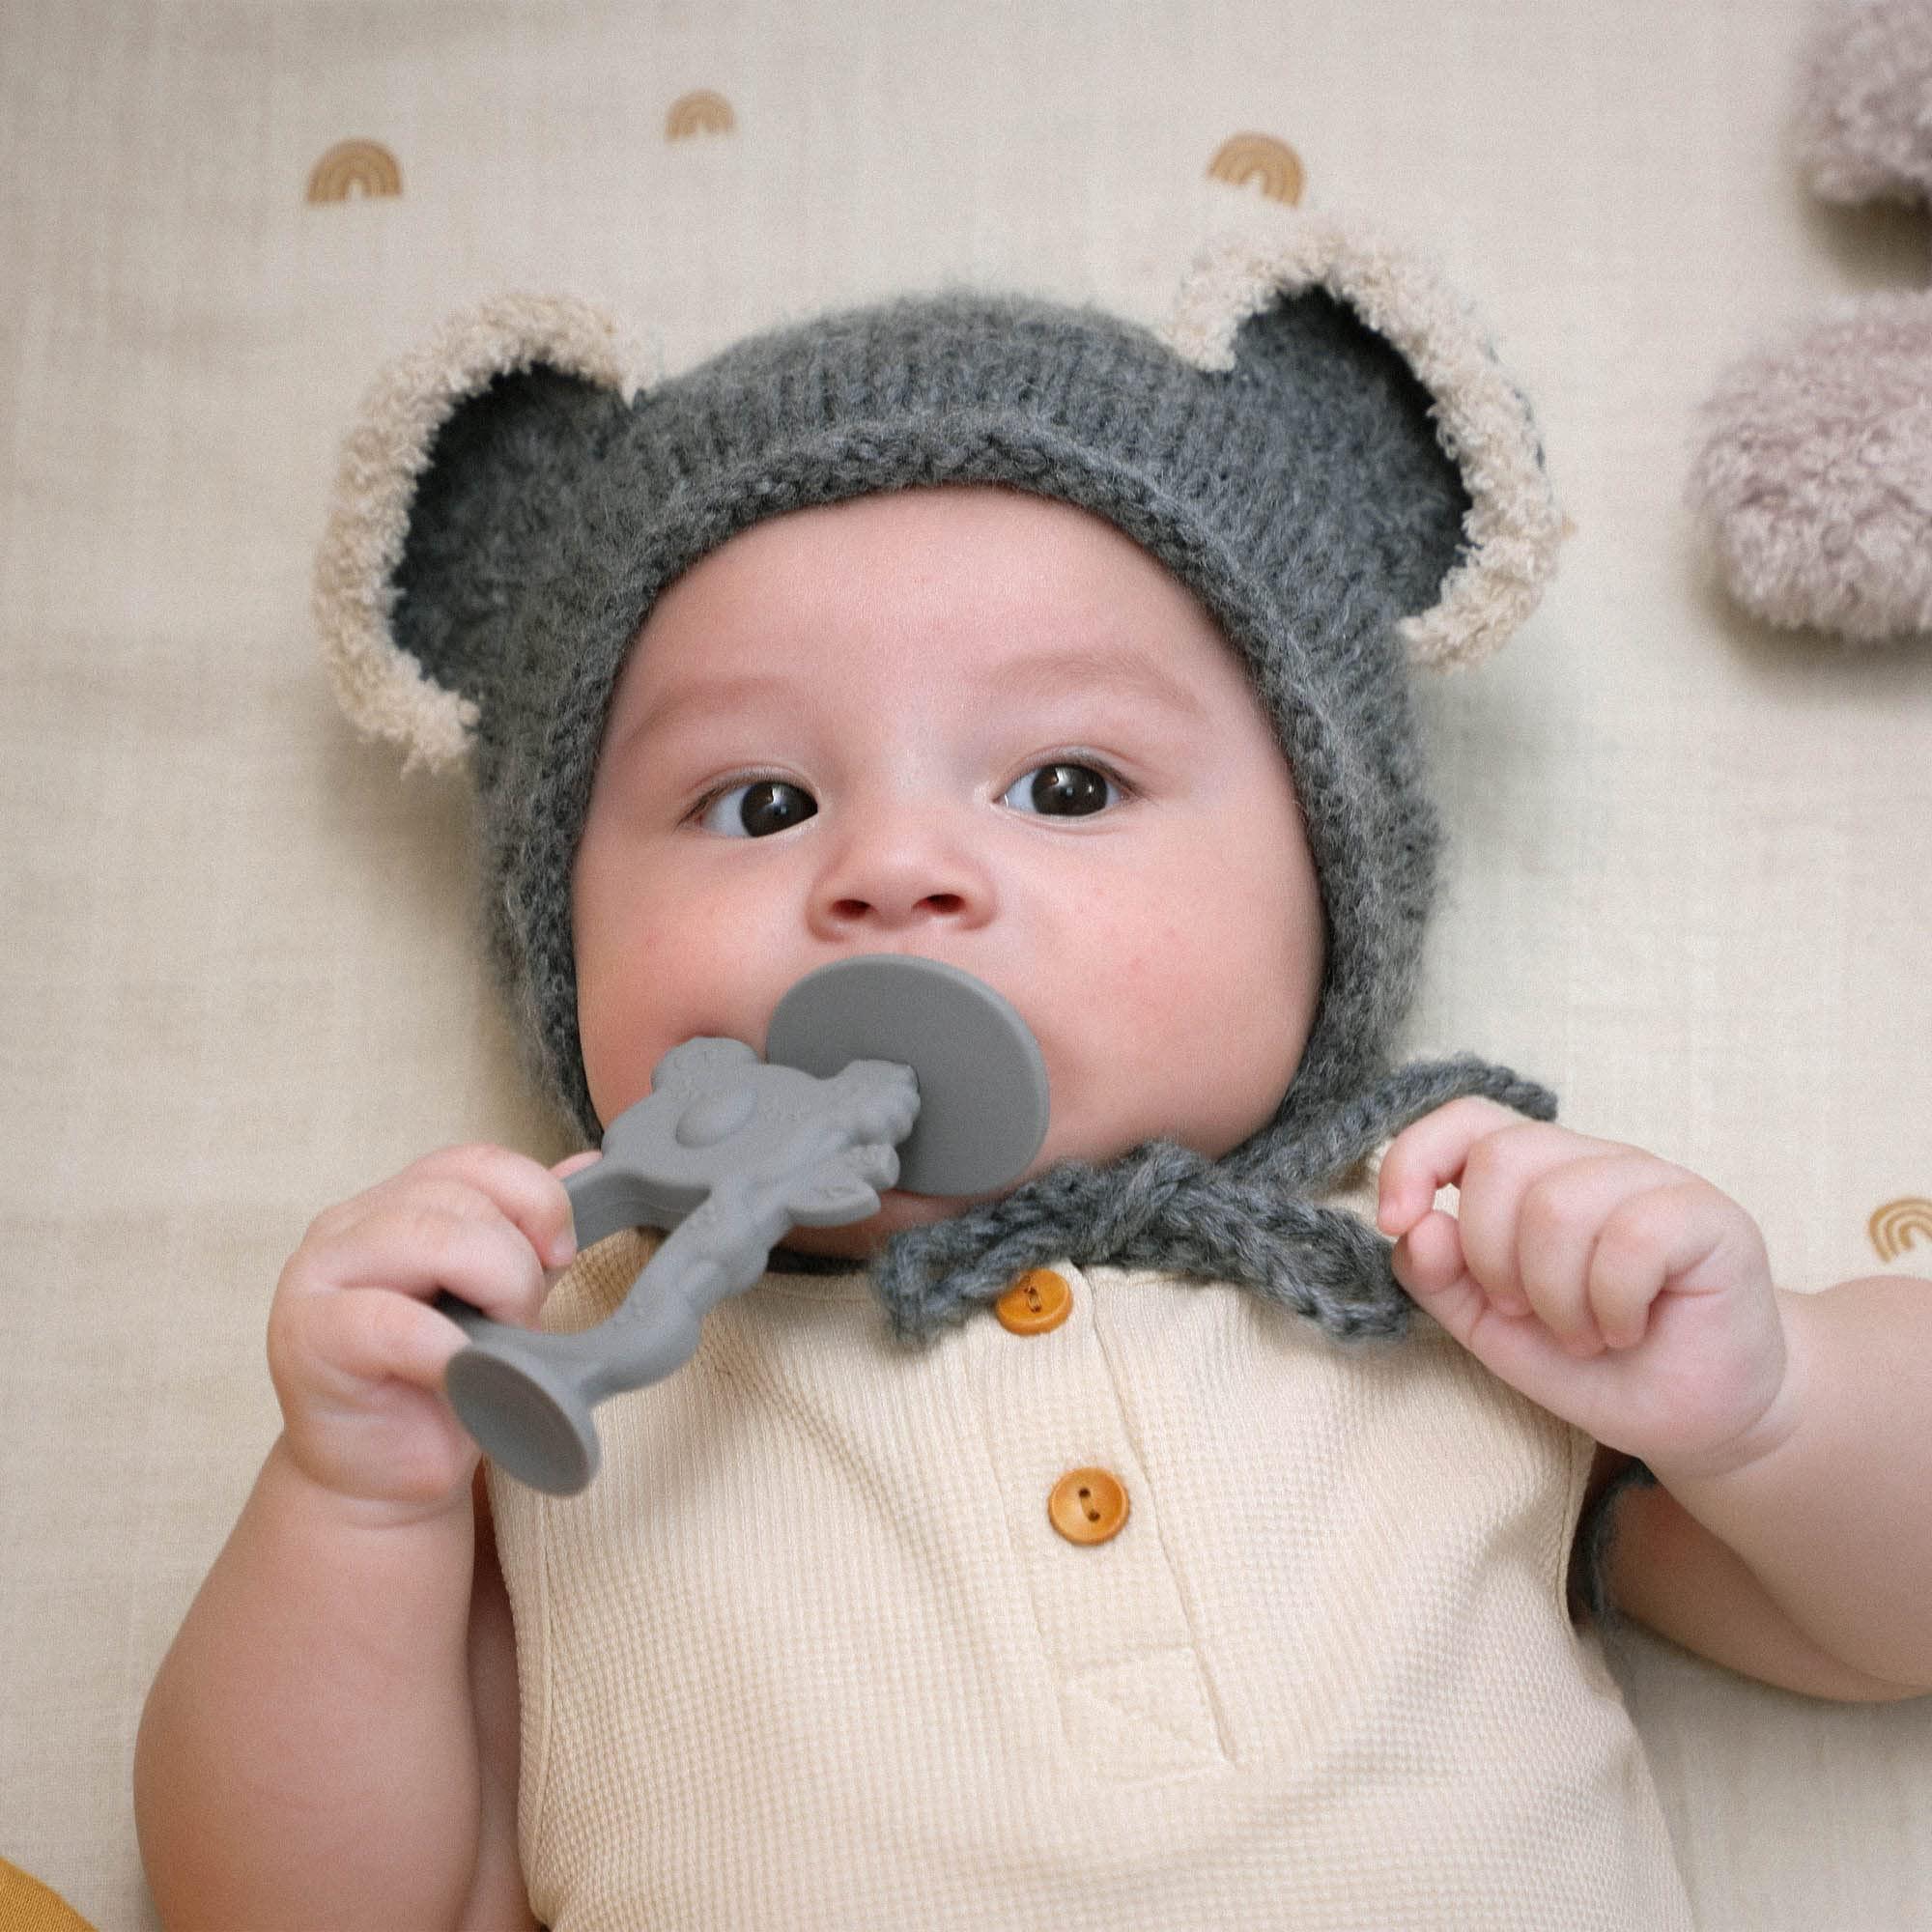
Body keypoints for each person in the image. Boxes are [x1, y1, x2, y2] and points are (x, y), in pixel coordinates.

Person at [134, 216, 1931, 1932]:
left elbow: (1888, 1622)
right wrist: (355, 1508)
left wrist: (1766, 1414)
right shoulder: (548, 1368)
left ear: (1329, 877)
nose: (897, 870)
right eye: (761, 804)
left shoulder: (1438, 1264)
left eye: (1067, 785)